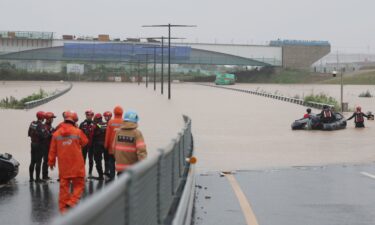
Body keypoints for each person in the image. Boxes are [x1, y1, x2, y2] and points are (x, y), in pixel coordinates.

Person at [48, 111, 88, 214]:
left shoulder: (56, 134)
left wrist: (51, 162)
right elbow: (85, 142)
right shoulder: (77, 132)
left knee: (64, 188)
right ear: (74, 121)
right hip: (77, 165)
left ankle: (63, 210)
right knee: (79, 185)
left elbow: (52, 150)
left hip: (64, 166)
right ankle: (72, 202)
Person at [112, 110, 147, 175]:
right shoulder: (137, 133)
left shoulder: (118, 132)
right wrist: (143, 166)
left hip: (120, 169)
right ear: (135, 121)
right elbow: (141, 151)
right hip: (133, 169)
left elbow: (113, 149)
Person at [28, 111, 49, 182]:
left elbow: (29, 133)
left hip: (32, 144)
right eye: (44, 117)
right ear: (42, 117)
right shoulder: (41, 125)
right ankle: (37, 178)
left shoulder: (32, 123)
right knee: (38, 162)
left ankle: (31, 178)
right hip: (39, 145)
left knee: (32, 161)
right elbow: (44, 136)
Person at [104, 106, 124, 180]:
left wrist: (106, 145)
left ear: (114, 112)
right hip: (121, 148)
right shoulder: (124, 122)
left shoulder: (111, 122)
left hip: (111, 148)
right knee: (120, 163)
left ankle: (112, 176)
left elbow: (107, 135)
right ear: (122, 112)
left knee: (111, 162)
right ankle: (120, 176)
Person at [79, 109, 95, 177]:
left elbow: (99, 130)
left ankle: (90, 173)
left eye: (90, 115)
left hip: (92, 145)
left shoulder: (95, 124)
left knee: (91, 159)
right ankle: (82, 172)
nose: (89, 116)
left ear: (92, 116)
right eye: (87, 115)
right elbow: (78, 133)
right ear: (86, 116)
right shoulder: (82, 124)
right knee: (83, 159)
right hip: (84, 145)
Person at [42, 112, 56, 180]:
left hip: (49, 146)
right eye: (52, 118)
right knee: (45, 161)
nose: (53, 120)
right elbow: (46, 136)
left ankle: (46, 175)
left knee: (47, 160)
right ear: (48, 119)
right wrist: (52, 134)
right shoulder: (44, 127)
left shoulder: (51, 127)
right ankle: (44, 176)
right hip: (45, 146)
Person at [92, 113, 107, 180]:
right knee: (107, 160)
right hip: (105, 145)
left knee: (98, 160)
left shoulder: (96, 125)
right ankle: (107, 173)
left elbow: (92, 134)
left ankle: (101, 176)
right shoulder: (105, 124)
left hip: (97, 145)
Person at [102, 111, 112, 176]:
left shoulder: (112, 124)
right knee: (106, 158)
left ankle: (110, 171)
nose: (107, 117)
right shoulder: (102, 124)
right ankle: (106, 171)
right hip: (104, 144)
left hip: (111, 145)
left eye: (108, 116)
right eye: (106, 116)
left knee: (111, 159)